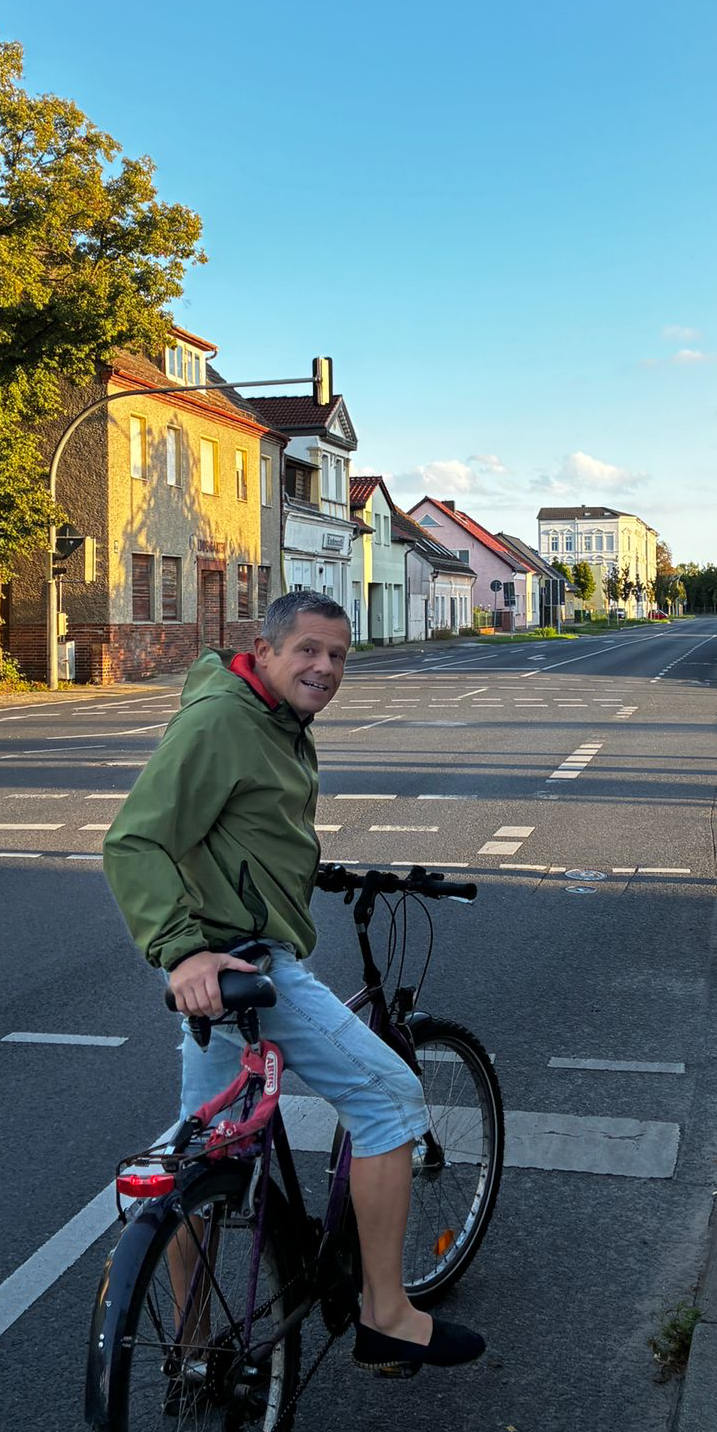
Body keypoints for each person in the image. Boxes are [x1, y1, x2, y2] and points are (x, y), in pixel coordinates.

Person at [103, 589, 485, 1377]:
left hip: (229, 962)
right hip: (247, 963)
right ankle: (386, 1315)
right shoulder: (224, 722)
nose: (325, 667)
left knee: (203, 1153)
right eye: (308, 650)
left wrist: (307, 872)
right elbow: (136, 840)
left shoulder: (270, 719)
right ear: (266, 650)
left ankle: (196, 1345)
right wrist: (181, 952)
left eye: (338, 655)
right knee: (389, 1101)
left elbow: (243, 827)